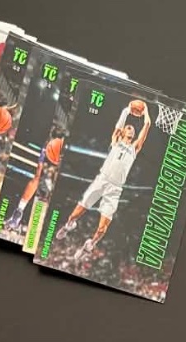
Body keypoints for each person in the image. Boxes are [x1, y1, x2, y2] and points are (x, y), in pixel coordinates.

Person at [60, 100, 151, 260]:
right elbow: (119, 125)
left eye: (133, 128)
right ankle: (68, 226)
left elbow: (147, 125)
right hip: (102, 180)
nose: (131, 128)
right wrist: (127, 110)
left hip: (115, 189)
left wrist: (146, 110)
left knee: (102, 229)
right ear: (123, 131)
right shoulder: (116, 141)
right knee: (76, 213)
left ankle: (90, 244)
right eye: (128, 127)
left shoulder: (134, 148)